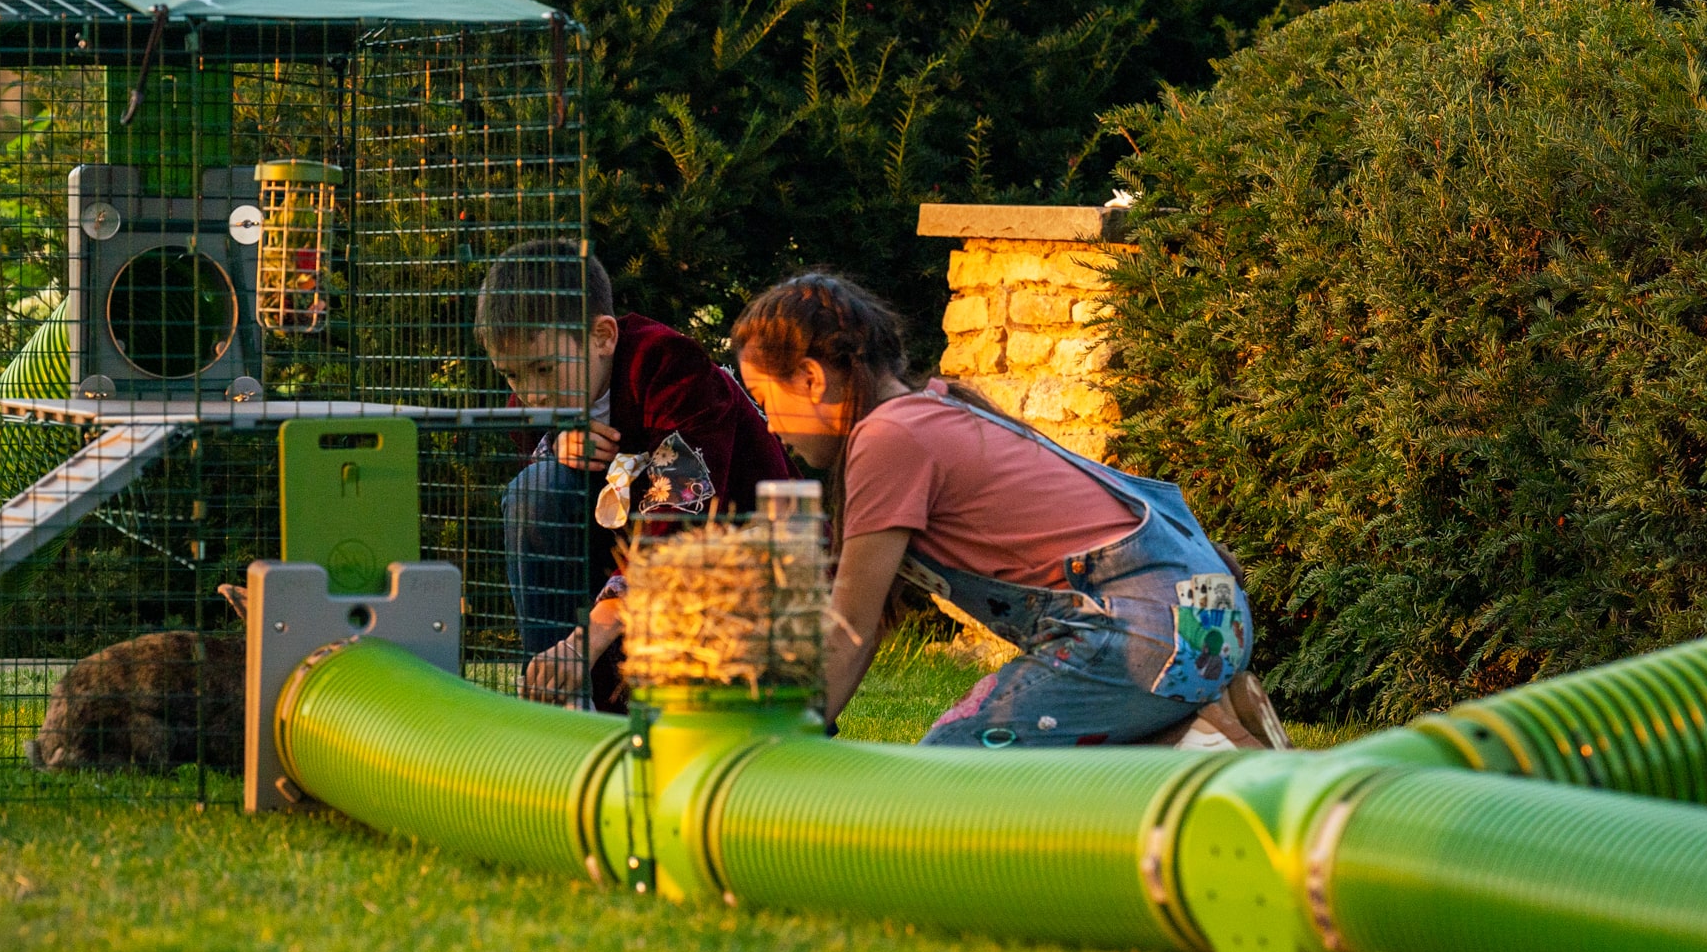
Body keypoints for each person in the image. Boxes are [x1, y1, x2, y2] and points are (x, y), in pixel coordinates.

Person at [731, 271, 1278, 748]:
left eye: (763, 397)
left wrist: (776, 744)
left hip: (1142, 634)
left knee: (950, 777)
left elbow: (848, 625)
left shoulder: (887, 438)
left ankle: (1200, 754)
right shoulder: (934, 411)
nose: (769, 423)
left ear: (810, 377)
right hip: (1204, 620)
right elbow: (867, 628)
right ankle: (1193, 747)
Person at [478, 242, 793, 706]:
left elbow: (680, 514)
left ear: (603, 337)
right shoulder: (541, 406)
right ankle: (556, 705)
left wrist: (586, 639)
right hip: (626, 574)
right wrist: (557, 449)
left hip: (739, 561)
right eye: (512, 376)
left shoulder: (672, 369)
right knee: (537, 488)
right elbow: (546, 517)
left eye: (544, 369)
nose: (532, 395)